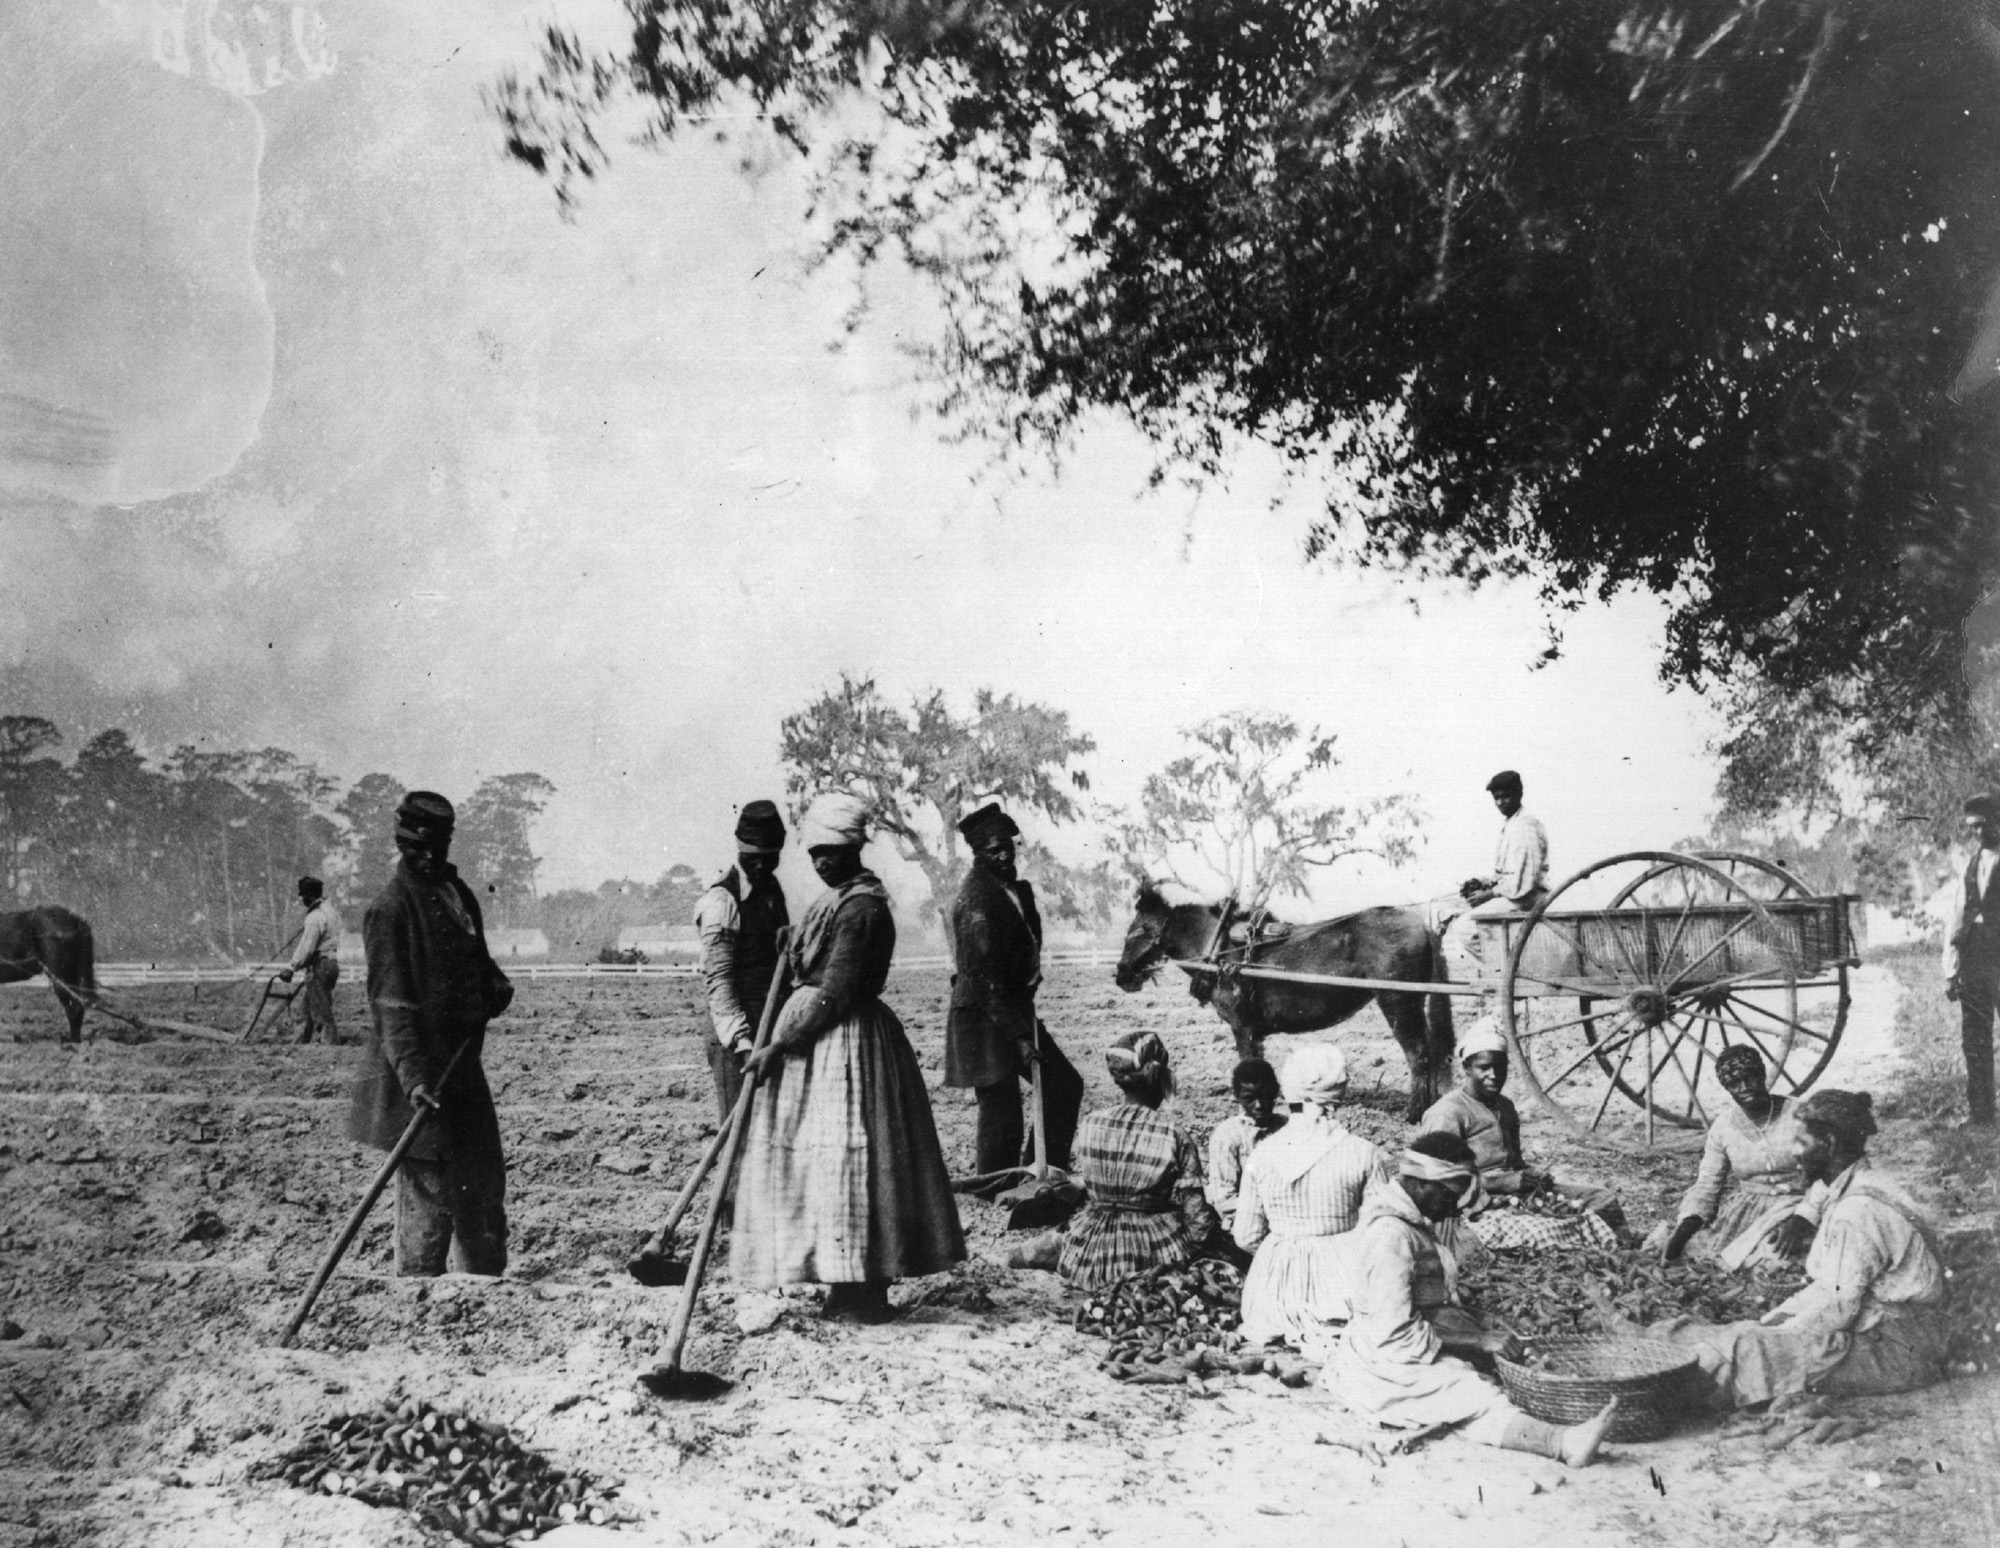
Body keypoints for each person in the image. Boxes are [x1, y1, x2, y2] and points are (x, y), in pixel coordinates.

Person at [731, 792, 965, 1322]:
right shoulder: (837, 900)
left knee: (853, 1161)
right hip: (819, 1042)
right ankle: (841, 1280)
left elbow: (833, 991)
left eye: (830, 853)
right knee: (825, 1166)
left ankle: (865, 1286)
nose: (819, 862)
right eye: (813, 852)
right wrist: (794, 944)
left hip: (845, 1042)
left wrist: (779, 1044)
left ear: (854, 850)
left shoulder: (862, 907)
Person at [1323, 1132, 1619, 1467]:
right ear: (1422, 1183)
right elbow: (1393, 1329)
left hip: (1412, 1335)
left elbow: (1424, 1299)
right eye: (1452, 1195)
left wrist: (1477, 1320)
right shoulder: (1390, 1235)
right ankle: (1561, 1443)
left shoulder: (1412, 1219)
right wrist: (1478, 1340)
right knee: (1472, 1392)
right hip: (1384, 1358)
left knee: (1503, 1359)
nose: (1456, 1207)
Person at [1658, 1090, 1947, 1406]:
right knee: (1749, 1335)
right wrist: (1772, 1321)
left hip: (1898, 1350)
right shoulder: (1858, 1185)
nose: (1794, 1153)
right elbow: (1829, 1289)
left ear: (1830, 1144)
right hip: (1896, 1330)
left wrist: (1774, 1336)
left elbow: (1839, 1307)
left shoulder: (1856, 1212)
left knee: (1751, 1352)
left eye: (1802, 1142)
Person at [347, 791, 515, 1276]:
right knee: (430, 1194)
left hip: (463, 1072)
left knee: (482, 1187)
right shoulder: (390, 909)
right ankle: (417, 1297)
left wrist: (495, 987)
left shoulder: (458, 895)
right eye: (415, 848)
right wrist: (415, 1079)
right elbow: (390, 1007)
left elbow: (480, 964)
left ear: (447, 843)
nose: (426, 857)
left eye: (435, 847)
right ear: (401, 844)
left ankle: (482, 1290)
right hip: (419, 1084)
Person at [943, 802, 1085, 1177]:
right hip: (982, 1014)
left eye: (1008, 846)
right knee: (1000, 1103)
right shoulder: (975, 899)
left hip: (1013, 1007)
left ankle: (1043, 1170)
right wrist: (1020, 1036)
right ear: (977, 854)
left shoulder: (1016, 890)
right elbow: (984, 978)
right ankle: (995, 1182)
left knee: (1063, 1084)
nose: (1005, 855)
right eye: (994, 850)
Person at [1417, 1019, 1623, 1252]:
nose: (1493, 1075)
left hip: (1518, 1194)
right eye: (1484, 1067)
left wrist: (1531, 1176)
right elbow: (1435, 1179)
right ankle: (1581, 1242)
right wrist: (1500, 1183)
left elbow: (1514, 1162)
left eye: (1500, 1067)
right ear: (1467, 1068)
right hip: (1475, 1202)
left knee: (1603, 1200)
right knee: (1541, 1229)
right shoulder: (1448, 1112)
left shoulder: (1505, 1106)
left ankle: (1614, 1245)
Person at [1234, 1044, 1391, 1348]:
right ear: (1337, 1097)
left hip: (1273, 1295)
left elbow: (1245, 1236)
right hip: (1342, 1288)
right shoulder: (1363, 1153)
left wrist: (1288, 1247)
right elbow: (1382, 1232)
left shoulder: (1262, 1154)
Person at [1052, 1031, 1219, 1290]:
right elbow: (1195, 1214)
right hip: (1151, 1249)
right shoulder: (1173, 1133)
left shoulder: (1091, 1123)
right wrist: (1199, 1249)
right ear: (1159, 1077)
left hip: (1091, 1247)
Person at [1654, 1045, 1817, 1268]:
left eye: (1751, 1078)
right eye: (1734, 1083)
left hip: (1803, 1203)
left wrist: (1804, 1217)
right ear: (1727, 1088)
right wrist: (1686, 1225)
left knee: (1788, 1259)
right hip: (1751, 1213)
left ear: (1762, 1076)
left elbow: (1829, 1174)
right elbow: (1707, 1184)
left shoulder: (1801, 1114)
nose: (1745, 1087)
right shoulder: (1723, 1127)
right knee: (1706, 1254)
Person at [693, 799, 792, 1121]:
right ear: (740, 849)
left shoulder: (773, 890)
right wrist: (743, 1042)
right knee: (740, 1125)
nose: (762, 866)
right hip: (737, 1034)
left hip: (772, 1027)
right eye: (754, 858)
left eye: (770, 858)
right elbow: (719, 983)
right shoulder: (721, 902)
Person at [1443, 770, 1550, 981]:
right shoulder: (1512, 823)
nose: (1500, 802)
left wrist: (1490, 894)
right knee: (1451, 911)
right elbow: (1508, 871)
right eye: (1496, 798)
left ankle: (1506, 977)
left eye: (1505, 796)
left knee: (1464, 928)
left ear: (1519, 794)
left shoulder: (1526, 826)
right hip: (1514, 893)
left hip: (1526, 898)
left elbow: (1524, 879)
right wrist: (1484, 883)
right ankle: (1504, 971)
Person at [1944, 791, 2000, 1128]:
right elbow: (1956, 916)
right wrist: (1951, 969)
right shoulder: (1974, 863)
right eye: (1973, 827)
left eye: (1983, 825)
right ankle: (1982, 1116)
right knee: (1975, 1039)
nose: (1978, 833)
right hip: (1975, 958)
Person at [1204, 1057, 1286, 1236]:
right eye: (1249, 1099)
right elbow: (1224, 1197)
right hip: (1245, 1225)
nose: (1259, 1105)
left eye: (1265, 1096)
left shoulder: (1288, 1128)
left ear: (1275, 1092)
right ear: (1237, 1096)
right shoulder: (1227, 1135)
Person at [280, 875, 342, 1045]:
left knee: (321, 1009)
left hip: (319, 965)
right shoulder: (331, 911)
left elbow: (307, 947)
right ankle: (300, 1041)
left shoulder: (314, 917)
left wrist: (292, 967)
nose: (302, 900)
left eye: (303, 896)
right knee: (307, 1007)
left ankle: (329, 1045)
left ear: (309, 894)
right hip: (331, 964)